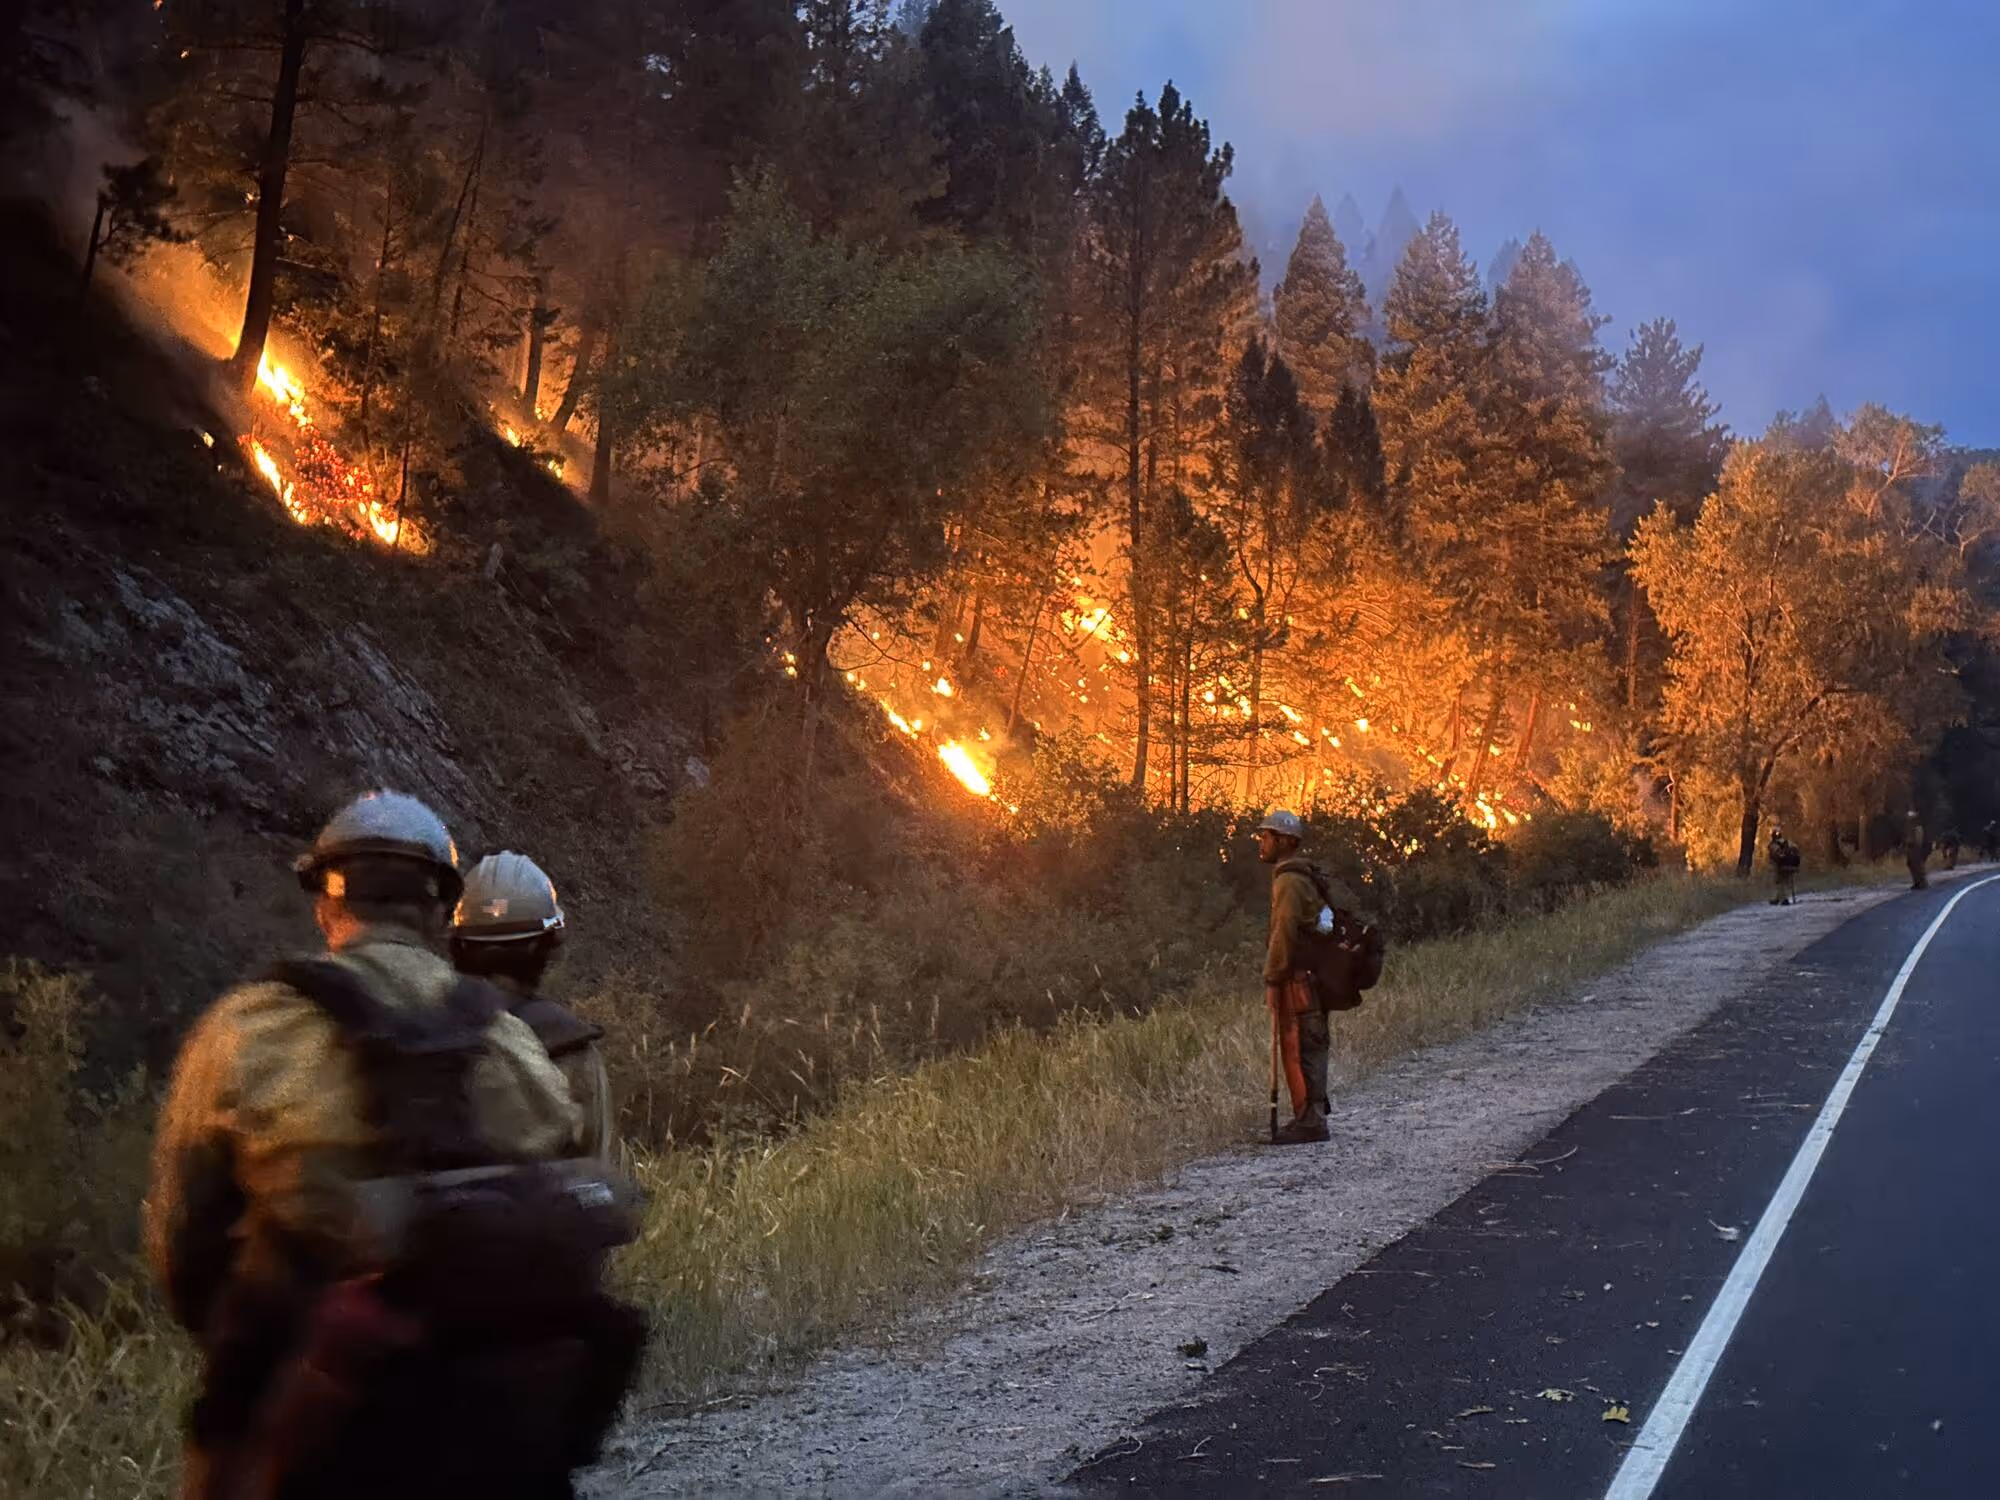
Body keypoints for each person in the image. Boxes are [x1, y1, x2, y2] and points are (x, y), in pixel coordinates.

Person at [144, 790, 640, 1500]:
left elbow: (183, 1252)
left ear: (324, 901)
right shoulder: (509, 1043)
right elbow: (576, 1201)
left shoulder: (247, 1030)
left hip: (317, 1434)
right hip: (498, 1430)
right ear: (441, 911)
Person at [451, 851, 614, 1161]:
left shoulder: (420, 1030)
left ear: (458, 944)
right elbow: (597, 1169)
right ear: (547, 947)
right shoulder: (573, 1049)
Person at [1255, 807, 1347, 1145]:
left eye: (1266, 837)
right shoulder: (1297, 876)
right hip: (1311, 979)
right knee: (1311, 1045)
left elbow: (1284, 933)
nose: (1261, 843)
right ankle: (1311, 1115)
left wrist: (1272, 978)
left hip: (1299, 982)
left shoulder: (1290, 881)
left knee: (1300, 1048)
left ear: (1283, 841)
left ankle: (1309, 1121)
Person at [1767, 826, 1802, 906]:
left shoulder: (1773, 845)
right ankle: (1778, 898)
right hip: (1791, 865)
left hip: (1780, 866)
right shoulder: (1787, 842)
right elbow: (1796, 848)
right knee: (1784, 882)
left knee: (1778, 882)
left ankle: (1784, 899)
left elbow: (1775, 855)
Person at [1904, 811, 1929, 890]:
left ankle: (1922, 882)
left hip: (1916, 850)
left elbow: (1918, 841)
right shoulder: (1911, 828)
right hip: (1912, 849)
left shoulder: (1918, 828)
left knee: (1918, 866)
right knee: (1911, 865)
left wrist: (1911, 843)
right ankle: (1917, 882)